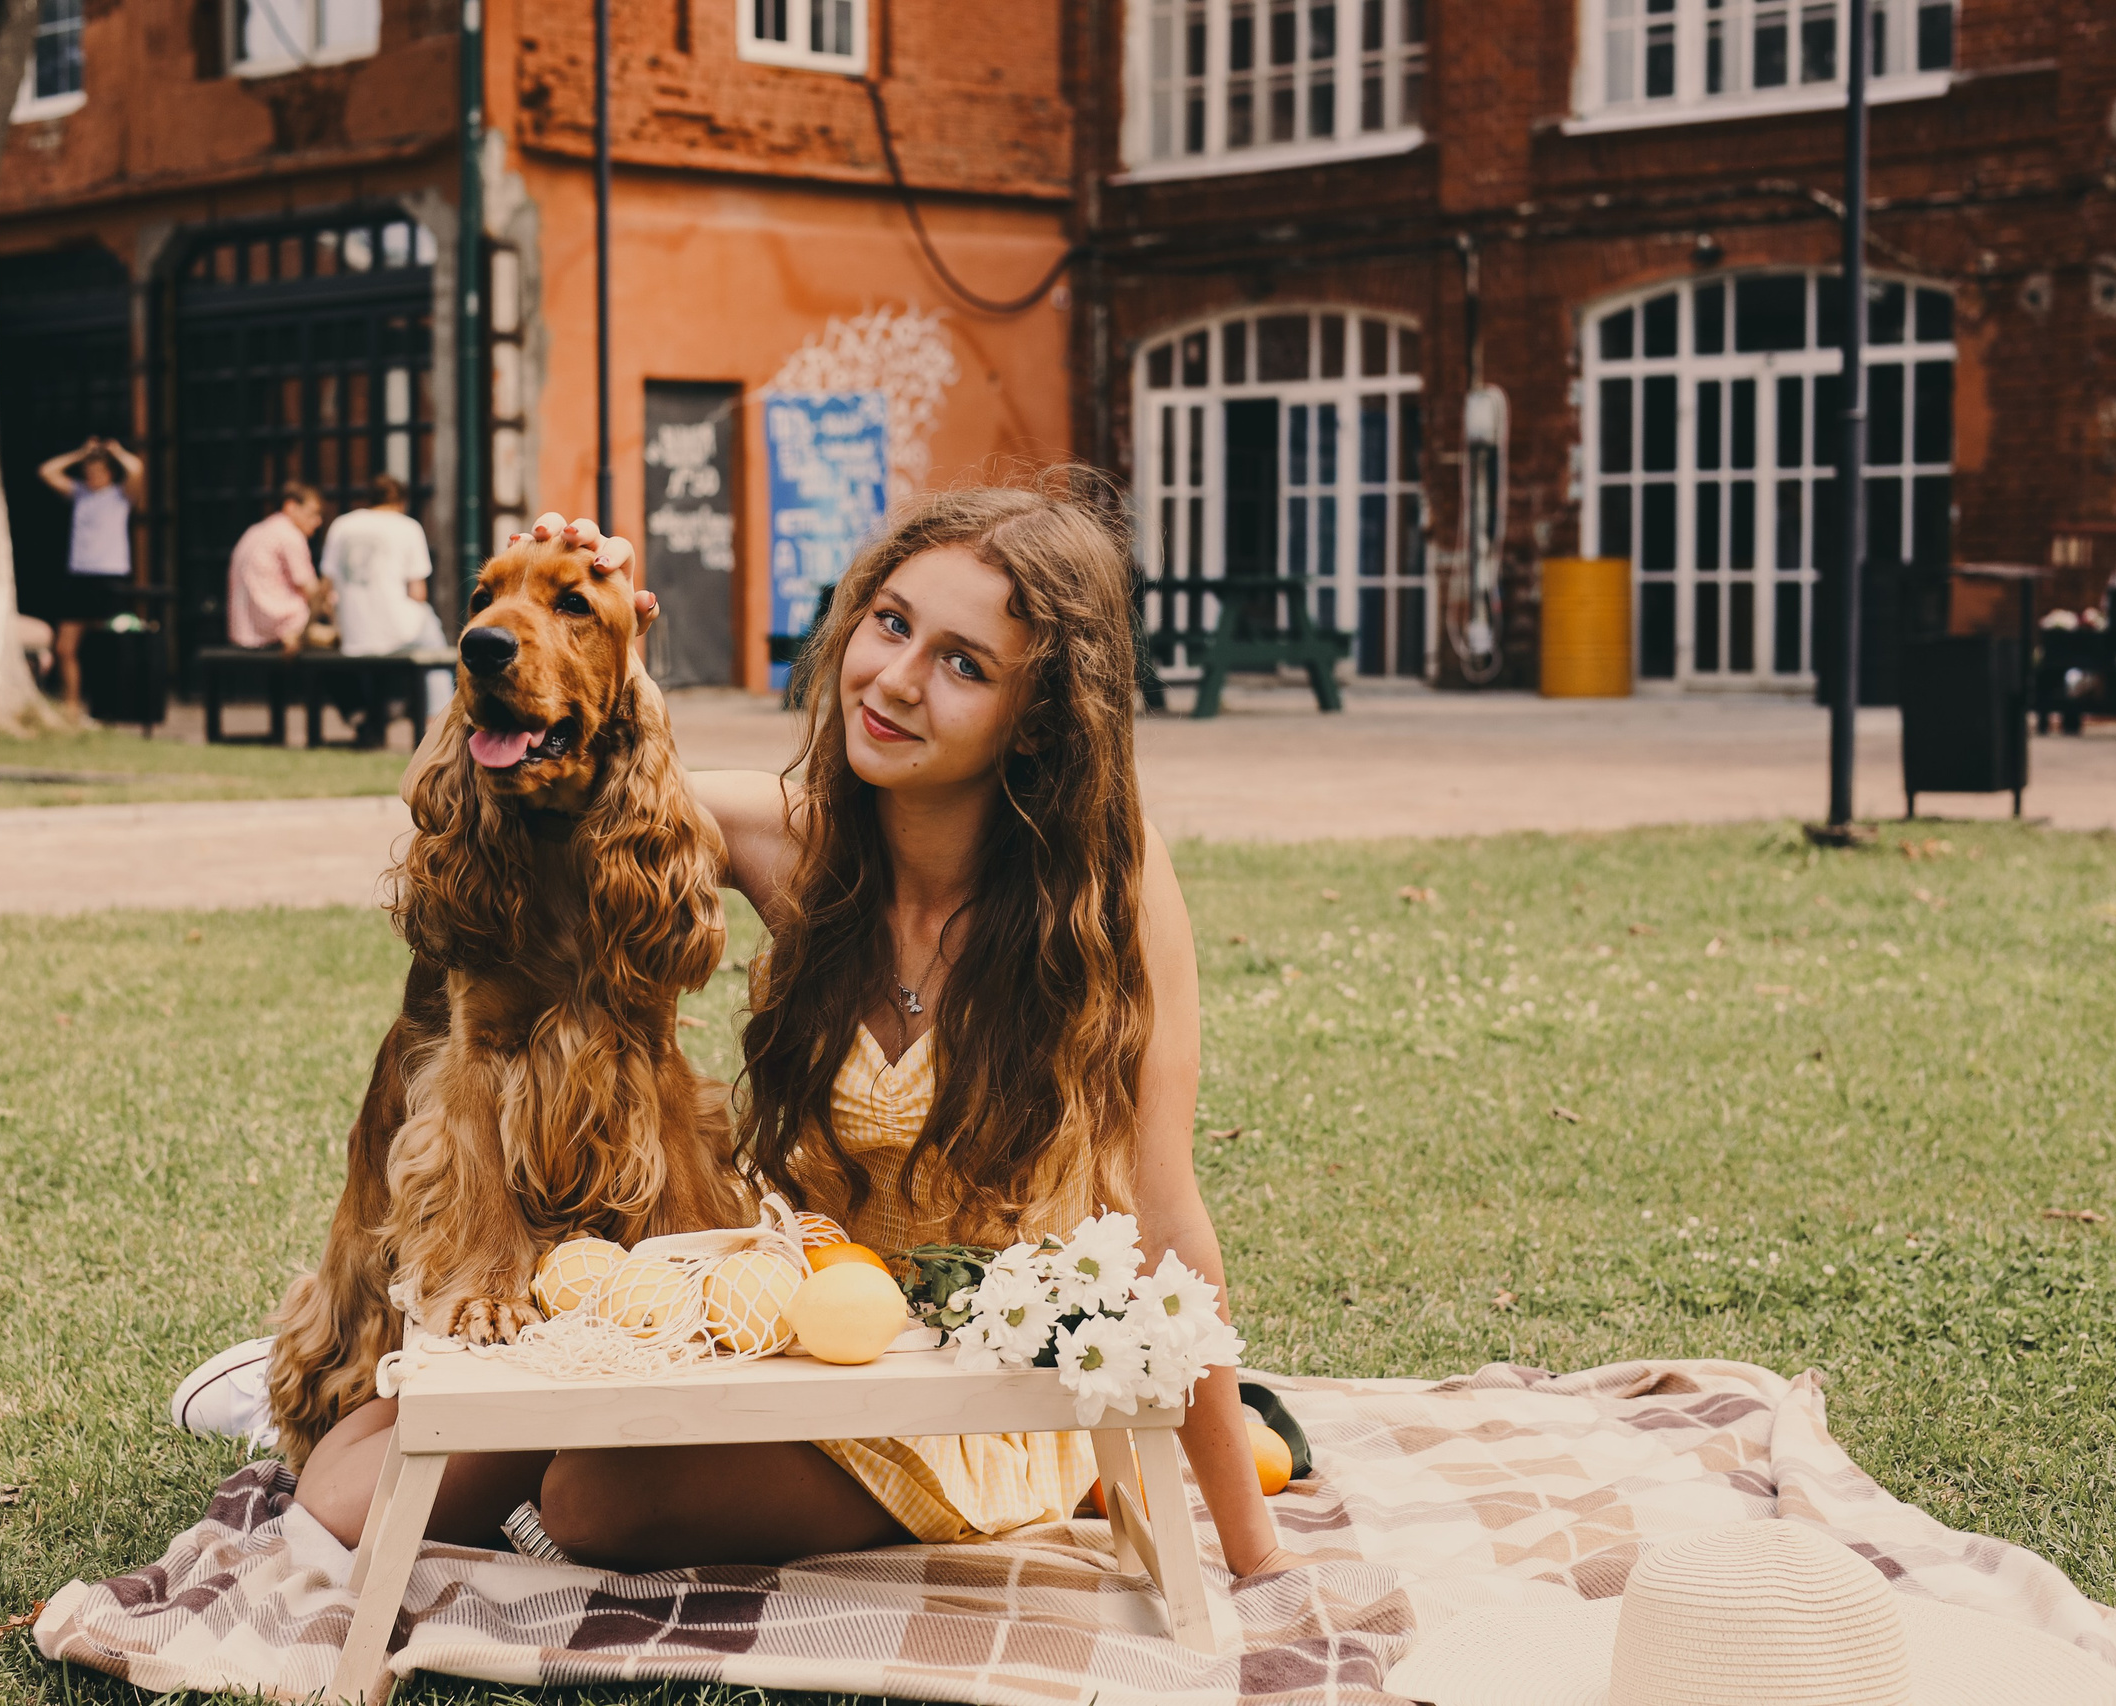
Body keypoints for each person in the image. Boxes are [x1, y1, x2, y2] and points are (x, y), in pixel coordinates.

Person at [261, 488, 1311, 1581]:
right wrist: (572, 627)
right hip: (768, 1314)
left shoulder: (1105, 888)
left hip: (969, 1381)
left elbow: (1167, 1211)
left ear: (1039, 714)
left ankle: (1060, 1476)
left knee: (596, 1497)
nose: (897, 680)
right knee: (339, 1487)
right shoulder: (784, 833)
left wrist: (1253, 1549)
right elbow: (545, 788)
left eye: (963, 664)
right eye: (891, 622)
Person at [320, 474, 454, 741]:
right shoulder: (407, 527)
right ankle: (440, 718)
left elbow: (327, 586)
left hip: (354, 632)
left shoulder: (341, 525)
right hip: (397, 630)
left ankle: (372, 718)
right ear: (400, 502)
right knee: (434, 639)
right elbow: (418, 592)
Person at [36, 437, 146, 709]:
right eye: (88, 471)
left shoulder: (121, 496)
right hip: (79, 577)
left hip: (110, 576)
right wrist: (79, 453)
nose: (92, 476)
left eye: (98, 471)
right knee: (65, 647)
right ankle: (71, 704)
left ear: (109, 473)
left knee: (109, 646)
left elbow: (138, 469)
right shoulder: (79, 493)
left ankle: (108, 705)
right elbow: (47, 471)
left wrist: (117, 452)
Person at [226, 483, 325, 652]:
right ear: (291, 506)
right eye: (313, 513)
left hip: (244, 632)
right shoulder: (290, 534)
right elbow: (311, 589)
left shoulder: (255, 531)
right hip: (282, 629)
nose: (318, 521)